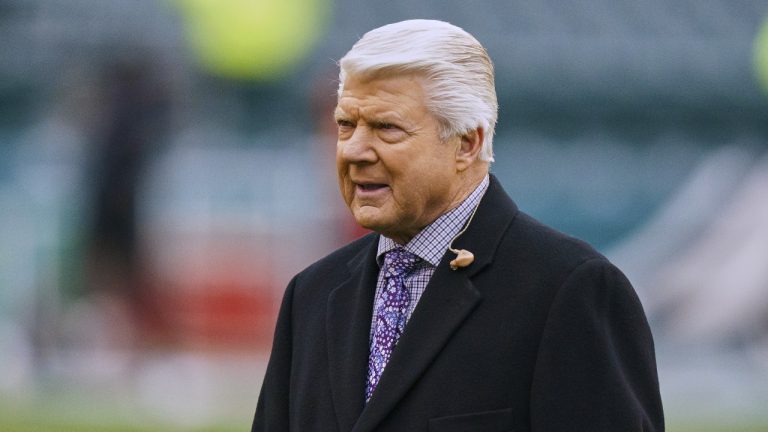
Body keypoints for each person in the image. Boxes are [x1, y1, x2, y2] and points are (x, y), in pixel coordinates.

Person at [252, 19, 664, 431]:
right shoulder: (311, 295)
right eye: (346, 125)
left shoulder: (570, 290)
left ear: (466, 143)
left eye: (386, 128)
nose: (355, 150)